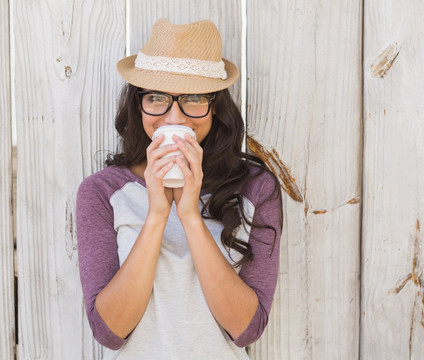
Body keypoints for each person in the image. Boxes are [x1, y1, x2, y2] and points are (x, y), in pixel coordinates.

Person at [76, 18, 282, 359]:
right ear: (137, 102)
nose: (174, 118)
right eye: (157, 97)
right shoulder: (102, 192)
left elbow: (247, 329)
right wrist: (157, 214)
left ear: (215, 105)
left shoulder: (256, 188)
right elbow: (109, 333)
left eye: (194, 98)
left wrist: (189, 215)